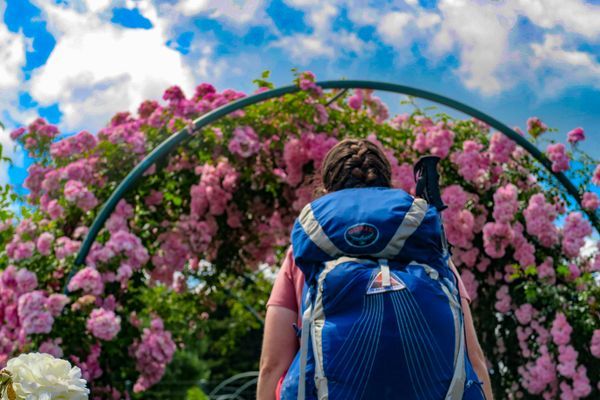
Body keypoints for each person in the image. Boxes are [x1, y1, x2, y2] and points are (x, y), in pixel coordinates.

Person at [257, 138, 494, 400]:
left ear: (326, 190)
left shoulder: (305, 252)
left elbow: (272, 365)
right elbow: (474, 357)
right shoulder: (428, 249)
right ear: (386, 186)